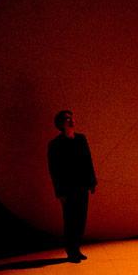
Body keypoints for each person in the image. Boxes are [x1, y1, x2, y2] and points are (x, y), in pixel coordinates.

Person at [47, 110, 97, 262]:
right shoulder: (55, 144)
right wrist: (59, 192)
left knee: (81, 218)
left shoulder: (81, 139)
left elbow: (88, 160)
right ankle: (71, 251)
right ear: (61, 124)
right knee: (70, 219)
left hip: (82, 185)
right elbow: (54, 169)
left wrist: (92, 182)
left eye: (72, 118)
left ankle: (76, 249)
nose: (71, 120)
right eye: (67, 119)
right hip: (68, 188)